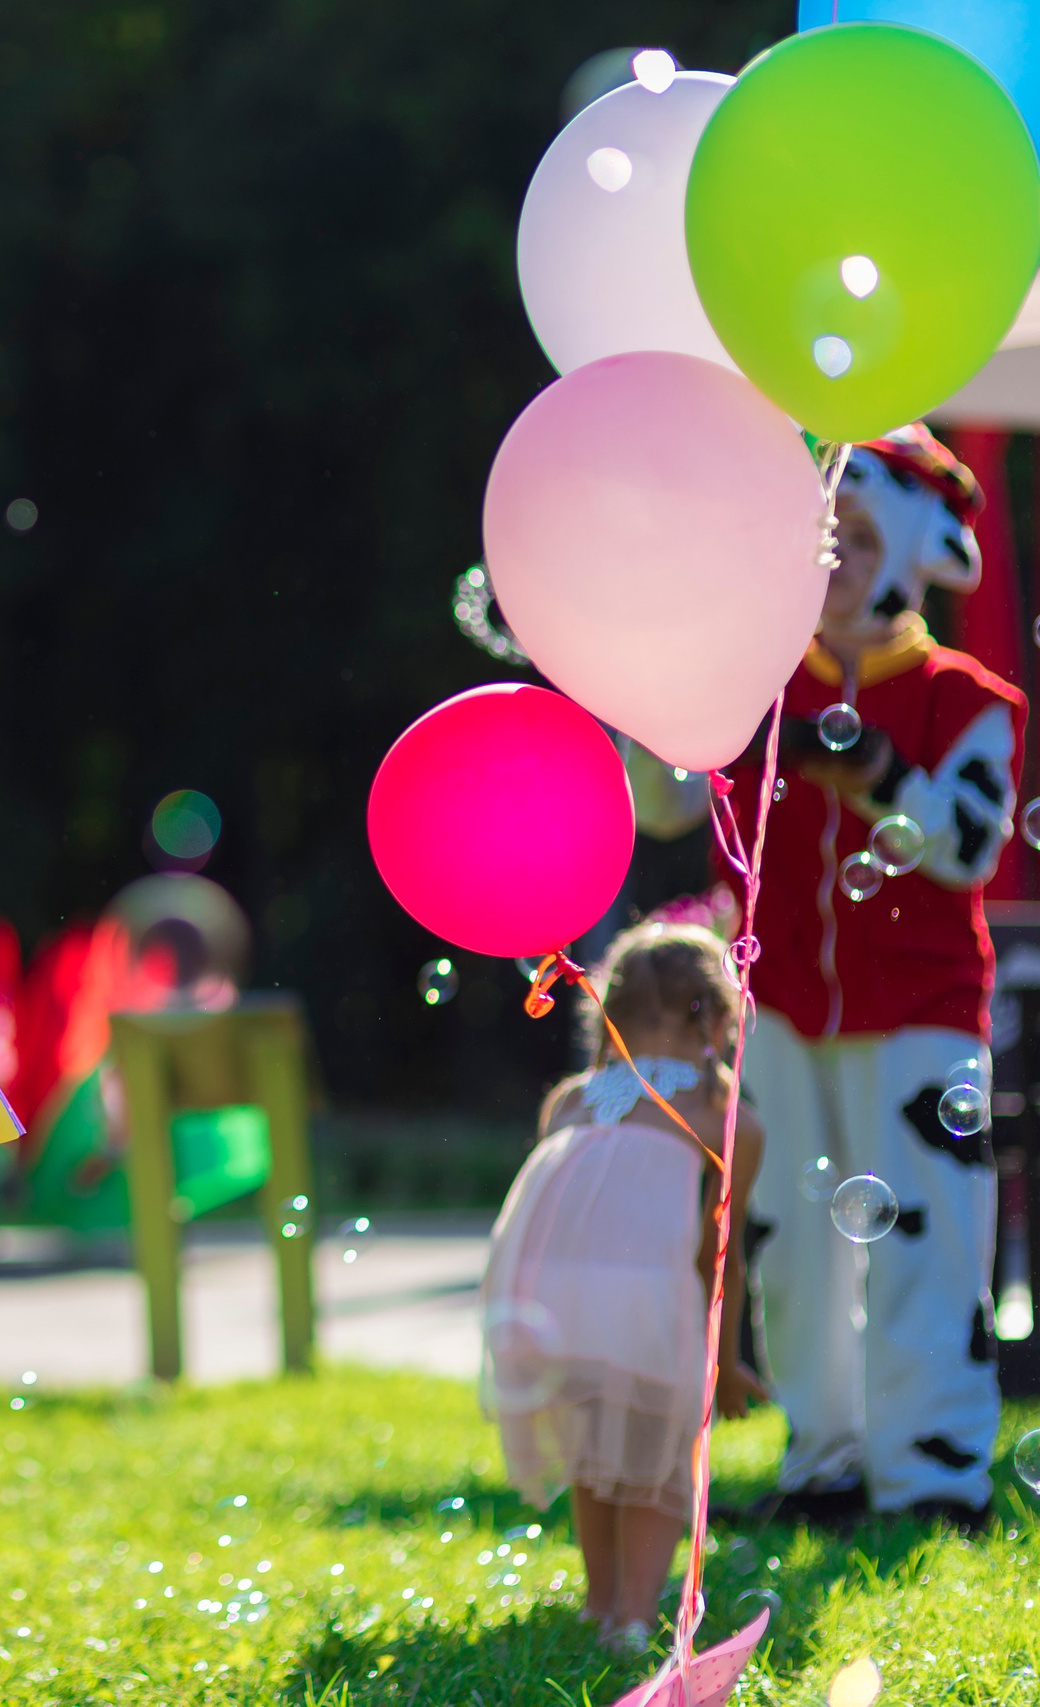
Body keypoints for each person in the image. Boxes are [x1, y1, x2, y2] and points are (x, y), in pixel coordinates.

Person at [718, 424, 1024, 1533]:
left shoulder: (968, 696)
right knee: (792, 1244)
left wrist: (876, 771)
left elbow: (967, 845)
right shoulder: (744, 682)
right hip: (784, 1010)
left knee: (931, 1244)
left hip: (922, 1013)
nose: (833, 558)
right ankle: (823, 1463)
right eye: (818, 534)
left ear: (914, 554)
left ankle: (934, 1472)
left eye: (856, 534)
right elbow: (666, 800)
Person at [481, 922, 766, 1654]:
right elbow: (719, 1255)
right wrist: (724, 1360)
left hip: (547, 1300)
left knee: (596, 1450)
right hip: (644, 1295)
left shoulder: (571, 1098)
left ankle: (598, 1601)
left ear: (606, 1009)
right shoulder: (721, 1111)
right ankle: (635, 1617)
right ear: (720, 1015)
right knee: (658, 1456)